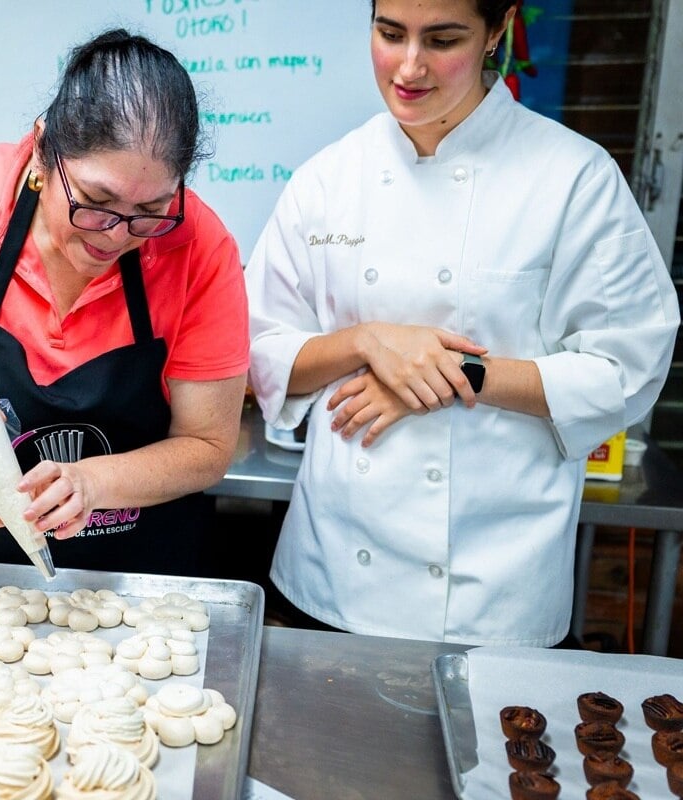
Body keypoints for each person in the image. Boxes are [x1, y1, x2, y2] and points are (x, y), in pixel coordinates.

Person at [244, 0, 679, 646]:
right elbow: (256, 350)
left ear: (498, 29)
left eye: (442, 40)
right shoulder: (329, 180)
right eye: (390, 34)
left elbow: (627, 366)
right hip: (333, 575)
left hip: (496, 592)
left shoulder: (573, 179)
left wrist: (455, 375)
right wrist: (367, 342)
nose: (408, 67)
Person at [0, 29, 249, 576]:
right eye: (96, 201)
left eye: (150, 211)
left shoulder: (199, 246)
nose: (115, 235)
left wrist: (91, 482)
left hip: (134, 584)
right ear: (40, 149)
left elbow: (207, 446)